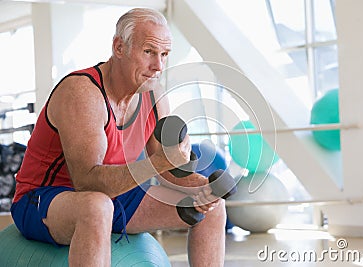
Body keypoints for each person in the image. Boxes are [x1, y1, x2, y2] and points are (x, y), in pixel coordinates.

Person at [11, 8, 226, 267]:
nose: (158, 66)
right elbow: (87, 182)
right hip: (43, 199)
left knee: (213, 207)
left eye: (164, 55)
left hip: (113, 195)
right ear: (119, 47)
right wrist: (159, 162)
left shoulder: (154, 96)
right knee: (96, 206)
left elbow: (166, 170)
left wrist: (201, 185)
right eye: (148, 52)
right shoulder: (83, 93)